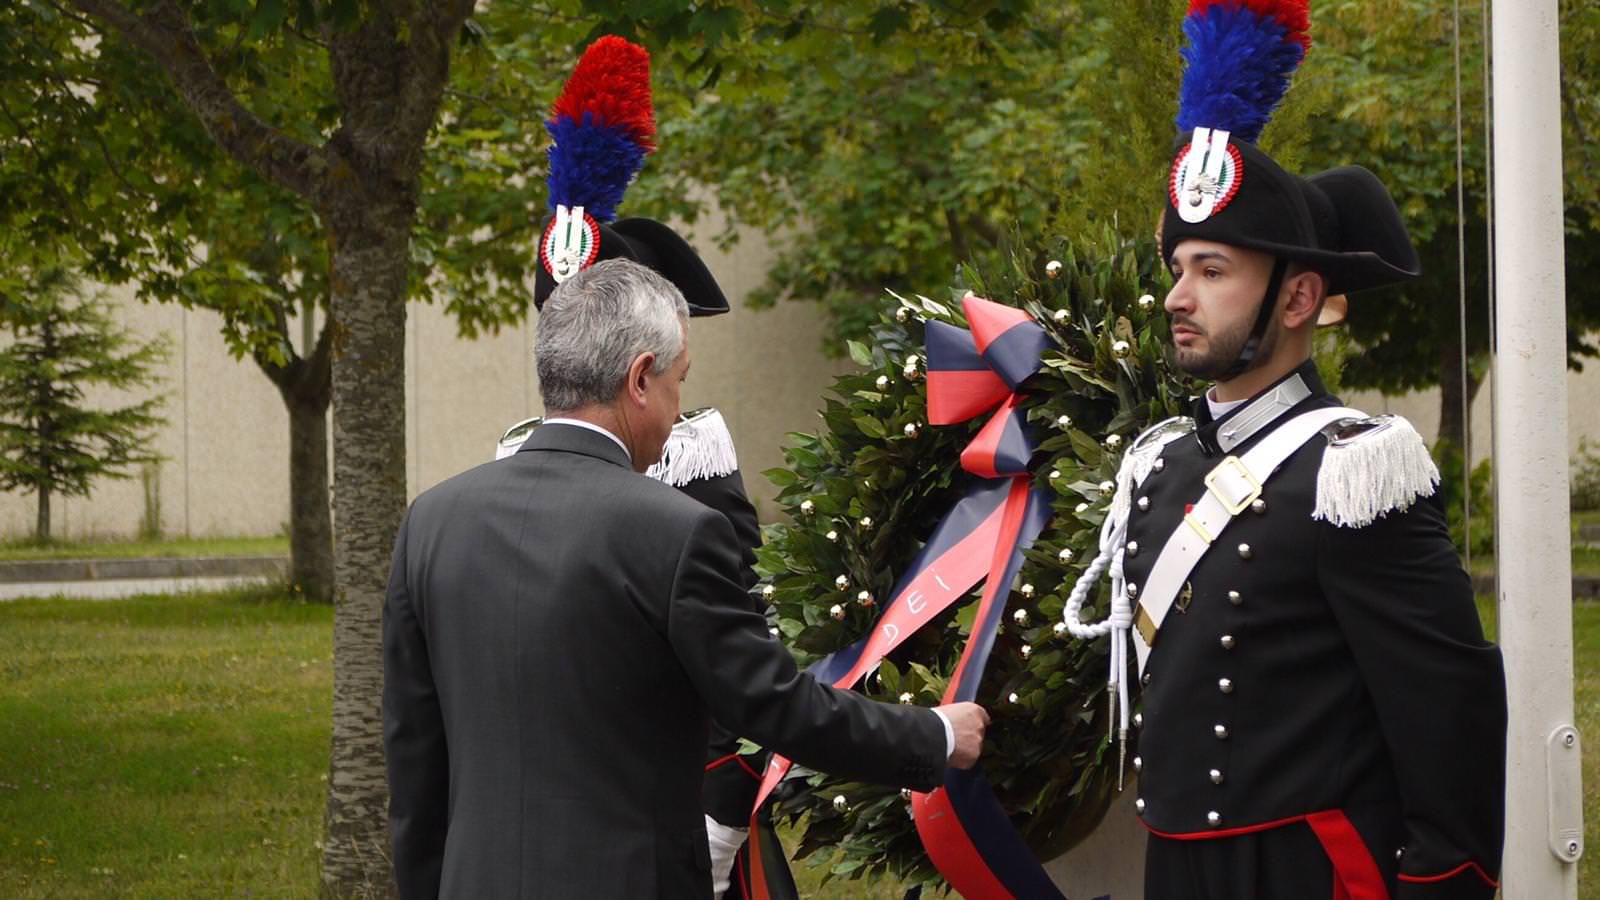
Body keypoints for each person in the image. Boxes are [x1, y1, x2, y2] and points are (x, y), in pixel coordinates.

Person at [383, 258, 991, 898]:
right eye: (679, 381)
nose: (679, 409)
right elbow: (775, 703)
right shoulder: (676, 532)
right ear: (640, 378)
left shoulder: (431, 523)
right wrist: (936, 733)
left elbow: (416, 765)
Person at [1081, 3, 1508, 898]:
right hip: (1178, 868)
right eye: (1178, 268)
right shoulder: (1160, 465)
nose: (1176, 297)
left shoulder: (1353, 474)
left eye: (1213, 271)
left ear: (1299, 296)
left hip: (1307, 873)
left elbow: (1448, 714)